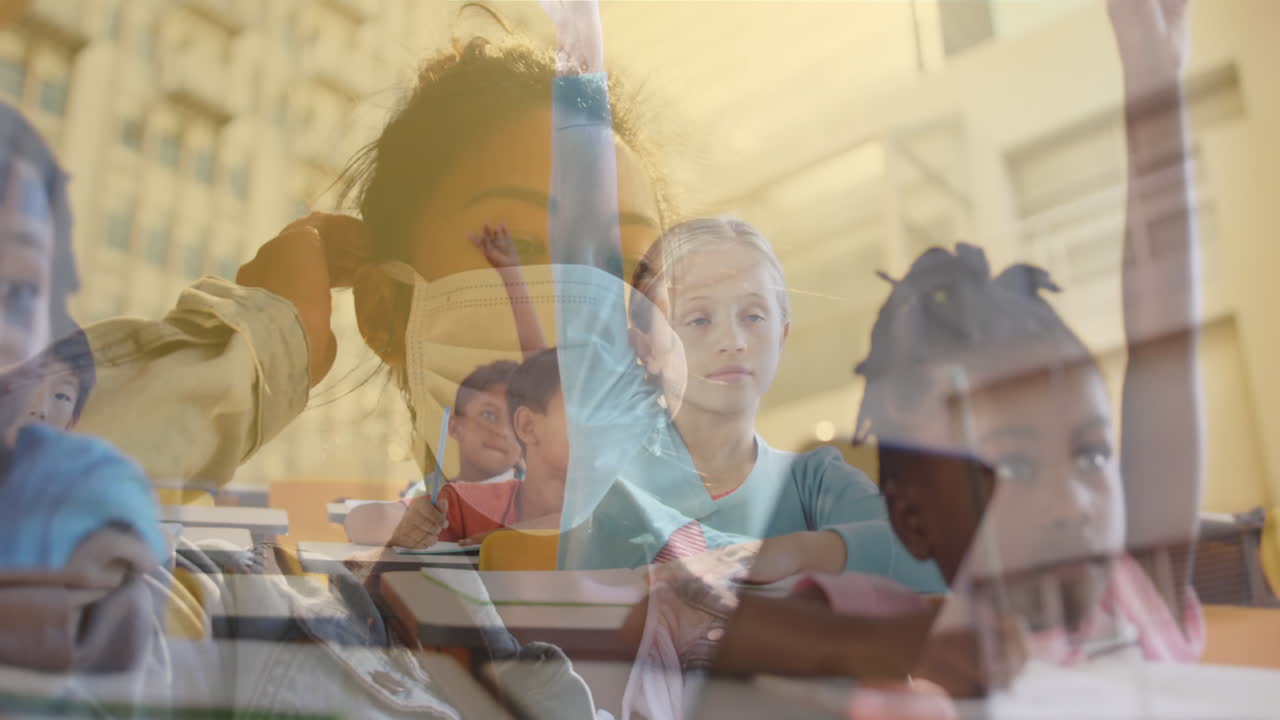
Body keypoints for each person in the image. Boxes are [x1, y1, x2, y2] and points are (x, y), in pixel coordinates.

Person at [629, 1, 1204, 716]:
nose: (1074, 501)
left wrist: (1156, 79)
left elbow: (1165, 348)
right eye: (1016, 467)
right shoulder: (912, 649)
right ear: (914, 518)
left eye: (1091, 455)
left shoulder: (1135, 587)